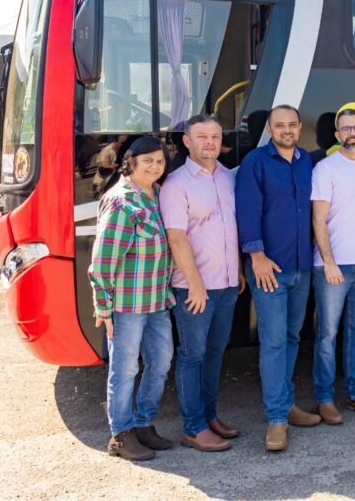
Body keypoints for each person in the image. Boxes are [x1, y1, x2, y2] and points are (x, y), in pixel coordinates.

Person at [235, 104, 321, 452]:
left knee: (291, 337)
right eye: (279, 125)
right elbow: (247, 211)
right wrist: (256, 257)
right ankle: (275, 421)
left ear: (300, 128)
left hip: (301, 267)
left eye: (291, 125)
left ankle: (286, 405)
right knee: (272, 342)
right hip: (269, 269)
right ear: (270, 130)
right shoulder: (255, 163)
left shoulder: (306, 162)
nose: (286, 130)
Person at [159, 114, 244, 453]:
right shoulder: (176, 184)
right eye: (202, 137)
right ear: (187, 142)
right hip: (195, 287)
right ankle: (193, 426)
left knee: (214, 353)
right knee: (192, 355)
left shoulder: (227, 178)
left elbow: (230, 228)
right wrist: (195, 286)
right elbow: (176, 239)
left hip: (226, 284)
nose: (209, 142)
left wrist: (236, 270)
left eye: (214, 136)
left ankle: (210, 415)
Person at [87, 136, 175, 461]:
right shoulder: (122, 201)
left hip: (157, 301)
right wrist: (103, 307)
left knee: (160, 363)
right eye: (148, 160)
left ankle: (143, 424)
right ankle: (120, 435)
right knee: (124, 370)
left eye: (160, 161)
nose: (155, 166)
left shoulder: (158, 195)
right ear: (132, 161)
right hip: (126, 306)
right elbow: (102, 262)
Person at [311, 109, 355, 423]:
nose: (352, 132)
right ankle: (325, 398)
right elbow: (318, 218)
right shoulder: (325, 168)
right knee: (327, 333)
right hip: (333, 265)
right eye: (346, 128)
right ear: (337, 135)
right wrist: (328, 262)